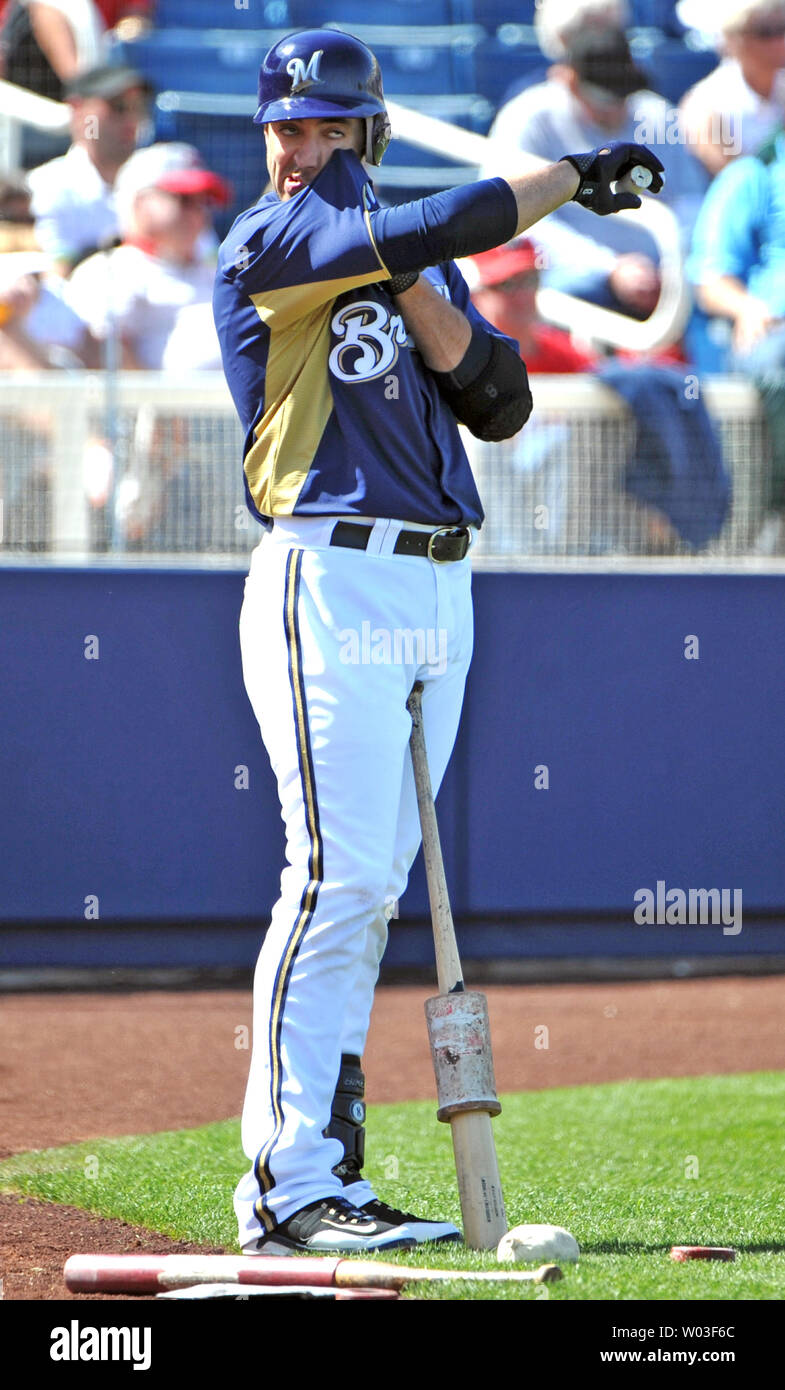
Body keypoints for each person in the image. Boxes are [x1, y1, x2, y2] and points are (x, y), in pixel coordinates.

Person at [212, 26, 663, 1256]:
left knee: (371, 888)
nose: (298, 148)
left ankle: (327, 1176)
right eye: (284, 127)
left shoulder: (411, 260)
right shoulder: (269, 238)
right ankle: (285, 1186)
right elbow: (432, 225)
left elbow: (500, 401)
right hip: (330, 574)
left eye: (323, 128)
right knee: (333, 878)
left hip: (435, 590)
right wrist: (566, 178)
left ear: (367, 134)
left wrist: (413, 279)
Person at [68, 141, 231, 545]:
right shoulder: (112, 268)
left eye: (203, 202)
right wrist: (162, 403)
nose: (198, 213)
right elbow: (95, 350)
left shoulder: (217, 272)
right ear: (140, 205)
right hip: (142, 440)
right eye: (183, 200)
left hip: (223, 434)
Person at [482, 26, 707, 317]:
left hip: (663, 280)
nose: (615, 108)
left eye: (622, 94)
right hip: (567, 280)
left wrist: (668, 266)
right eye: (604, 97)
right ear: (568, 80)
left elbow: (692, 203)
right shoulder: (527, 118)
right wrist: (609, 268)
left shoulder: (656, 114)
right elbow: (519, 219)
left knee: (706, 289)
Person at [26, 62, 152, 275]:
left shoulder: (158, 182)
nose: (130, 119)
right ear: (78, 110)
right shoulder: (46, 186)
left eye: (137, 107)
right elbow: (53, 278)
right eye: (118, 107)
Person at [679, 0, 785, 177]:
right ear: (733, 38)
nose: (780, 40)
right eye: (766, 32)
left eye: (783, 28)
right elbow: (736, 181)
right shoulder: (704, 103)